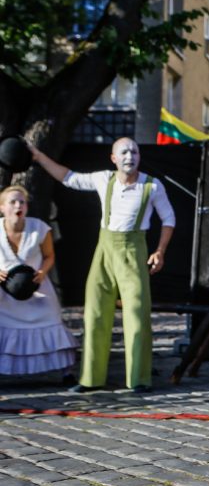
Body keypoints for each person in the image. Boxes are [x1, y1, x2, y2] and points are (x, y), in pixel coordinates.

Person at [30, 138, 175, 393]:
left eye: (134, 151)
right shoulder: (104, 179)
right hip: (105, 249)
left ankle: (138, 378)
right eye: (124, 152)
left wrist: (159, 251)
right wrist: (39, 157)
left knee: (137, 315)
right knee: (95, 312)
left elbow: (169, 218)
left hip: (133, 249)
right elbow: (68, 177)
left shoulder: (152, 186)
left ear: (139, 157)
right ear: (114, 158)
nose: (130, 156)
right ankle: (90, 379)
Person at [0, 185, 78, 380]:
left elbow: (49, 255)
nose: (18, 205)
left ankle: (65, 371)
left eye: (22, 202)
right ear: (2, 207)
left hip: (36, 286)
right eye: (13, 202)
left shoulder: (39, 227)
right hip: (5, 292)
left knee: (50, 317)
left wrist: (43, 272)